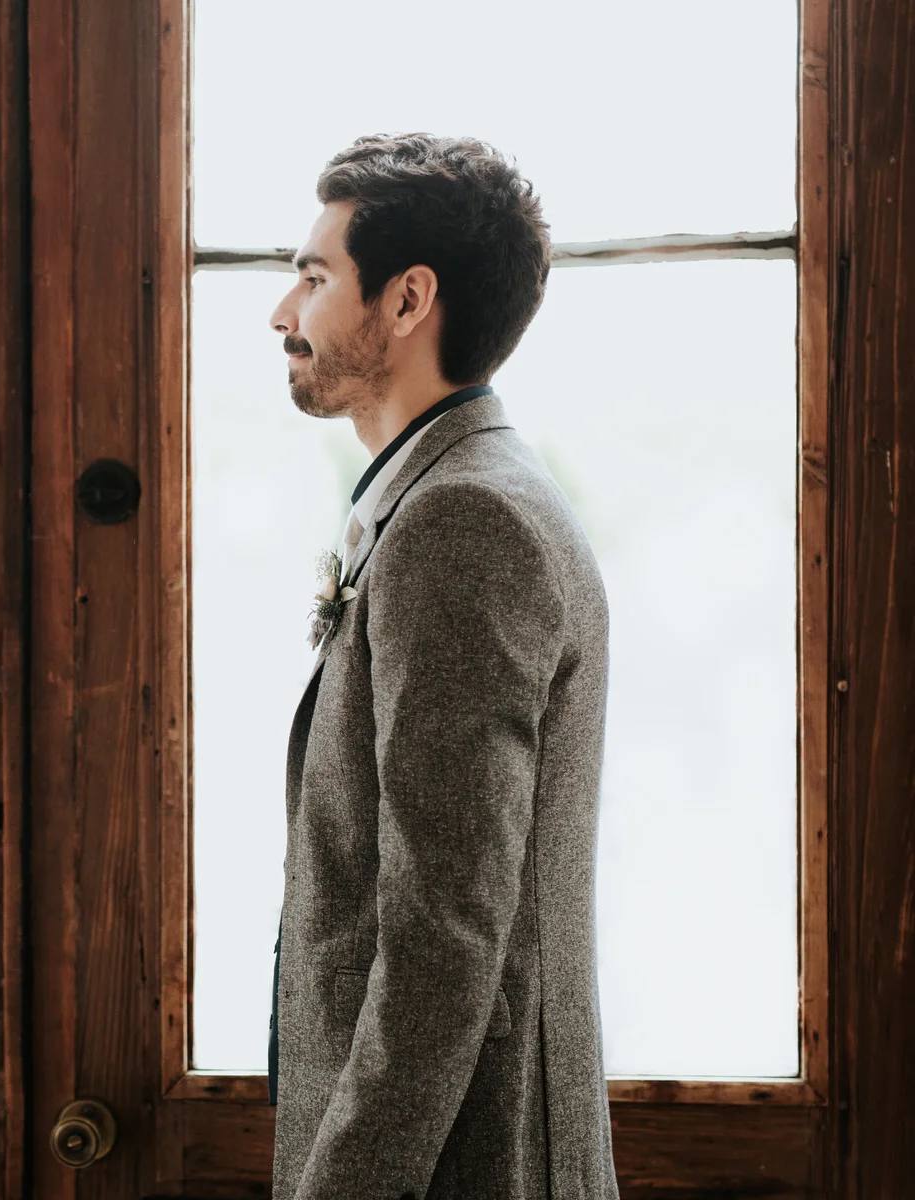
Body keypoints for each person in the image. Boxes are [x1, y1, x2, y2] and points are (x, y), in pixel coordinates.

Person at [265, 134, 620, 1199]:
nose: (282, 312)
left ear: (408, 300)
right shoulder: (462, 491)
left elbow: (443, 940)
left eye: (315, 276)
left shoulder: (463, 519)